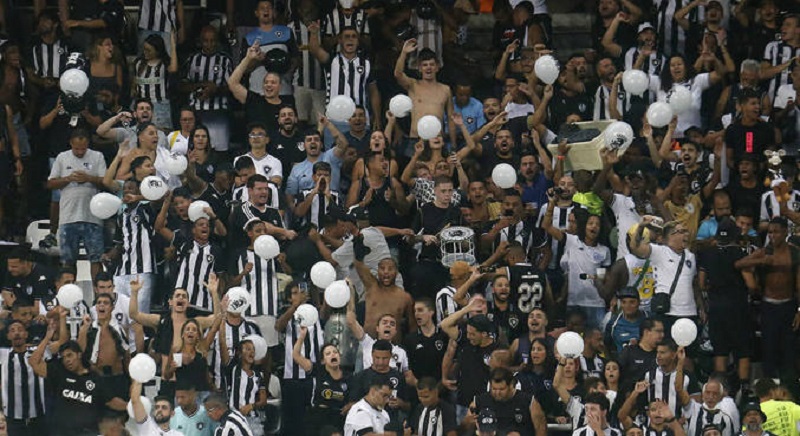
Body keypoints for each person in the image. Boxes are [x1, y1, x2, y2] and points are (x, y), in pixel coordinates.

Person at [735, 217, 800, 381]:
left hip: (789, 306)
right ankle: (769, 388)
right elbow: (739, 264)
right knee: (768, 349)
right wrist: (761, 260)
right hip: (768, 307)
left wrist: (799, 310)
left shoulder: (794, 253)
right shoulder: (765, 251)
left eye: (776, 232)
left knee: (789, 351)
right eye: (770, 232)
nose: (772, 236)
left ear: (785, 232)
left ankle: (789, 387)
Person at [29, 336, 126, 435]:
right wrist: (47, 337)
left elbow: (111, 401)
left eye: (69, 355)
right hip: (61, 432)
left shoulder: (95, 379)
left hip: (87, 432)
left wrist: (131, 406)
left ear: (79, 355)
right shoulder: (59, 373)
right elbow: (33, 362)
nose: (67, 360)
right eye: (63, 357)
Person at [46, 129, 107, 278]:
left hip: (92, 216)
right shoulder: (62, 157)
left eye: (83, 149)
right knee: (67, 260)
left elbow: (106, 182)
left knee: (96, 259)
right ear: (71, 143)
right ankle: (69, 290)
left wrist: (88, 178)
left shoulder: (97, 156)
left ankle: (97, 291)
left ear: (88, 144)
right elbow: (50, 183)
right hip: (68, 216)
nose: (80, 152)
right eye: (76, 148)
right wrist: (68, 179)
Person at [292, 326, 350, 433]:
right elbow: (296, 355)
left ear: (340, 356)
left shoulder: (348, 376)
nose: (333, 354)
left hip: (338, 418)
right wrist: (302, 336)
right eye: (328, 354)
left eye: (335, 352)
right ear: (323, 361)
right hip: (318, 416)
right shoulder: (318, 370)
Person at [0, 320, 47, 435]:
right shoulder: (3, 354)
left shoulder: (37, 352)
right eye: (12, 330)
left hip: (38, 414)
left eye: (20, 330)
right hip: (13, 417)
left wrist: (50, 333)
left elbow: (61, 343)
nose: (17, 333)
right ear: (8, 336)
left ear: (26, 334)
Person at [471, 367, 547, 436]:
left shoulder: (528, 402)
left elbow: (541, 428)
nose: (497, 393)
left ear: (511, 385)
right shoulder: (480, 401)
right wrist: (470, 421)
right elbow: (467, 427)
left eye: (501, 389)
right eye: (494, 389)